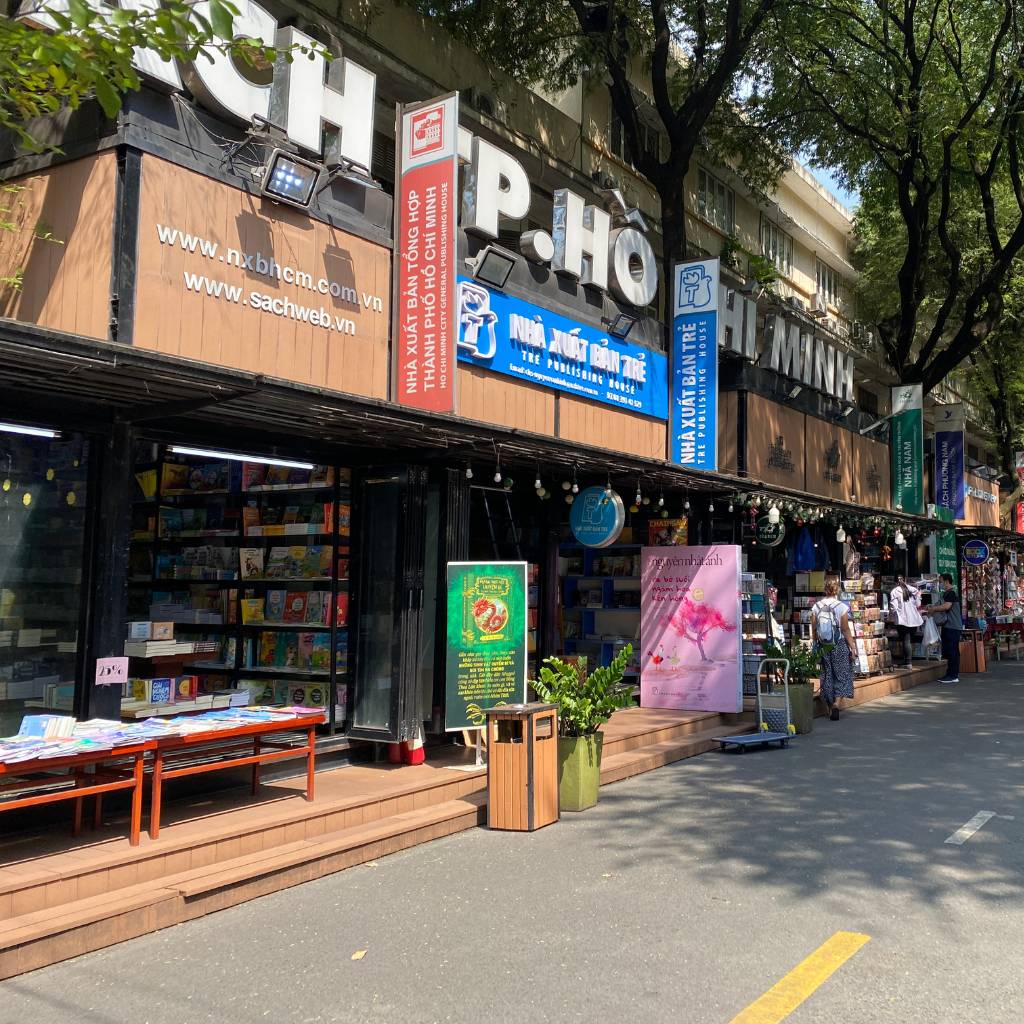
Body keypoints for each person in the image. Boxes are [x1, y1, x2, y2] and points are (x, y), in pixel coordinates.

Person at [811, 578, 857, 719]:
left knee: (826, 675)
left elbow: (814, 629)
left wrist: (815, 645)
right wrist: (853, 648)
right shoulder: (841, 607)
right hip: (839, 645)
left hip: (823, 646)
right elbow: (845, 629)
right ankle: (837, 703)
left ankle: (830, 707)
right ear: (837, 590)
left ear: (825, 589)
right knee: (841, 674)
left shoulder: (816, 606)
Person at [923, 573, 963, 684]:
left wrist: (934, 609)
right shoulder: (946, 593)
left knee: (952, 651)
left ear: (946, 581)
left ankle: (953, 675)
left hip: (953, 626)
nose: (939, 584)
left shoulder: (951, 593)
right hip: (948, 626)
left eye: (940, 582)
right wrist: (931, 607)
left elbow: (946, 606)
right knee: (950, 651)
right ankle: (950, 673)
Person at [889, 576, 924, 670]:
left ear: (895, 582)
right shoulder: (913, 589)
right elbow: (918, 604)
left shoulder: (894, 591)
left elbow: (894, 607)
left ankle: (908, 662)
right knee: (908, 641)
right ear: (904, 580)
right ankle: (906, 661)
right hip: (914, 620)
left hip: (902, 620)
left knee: (905, 641)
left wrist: (891, 614)